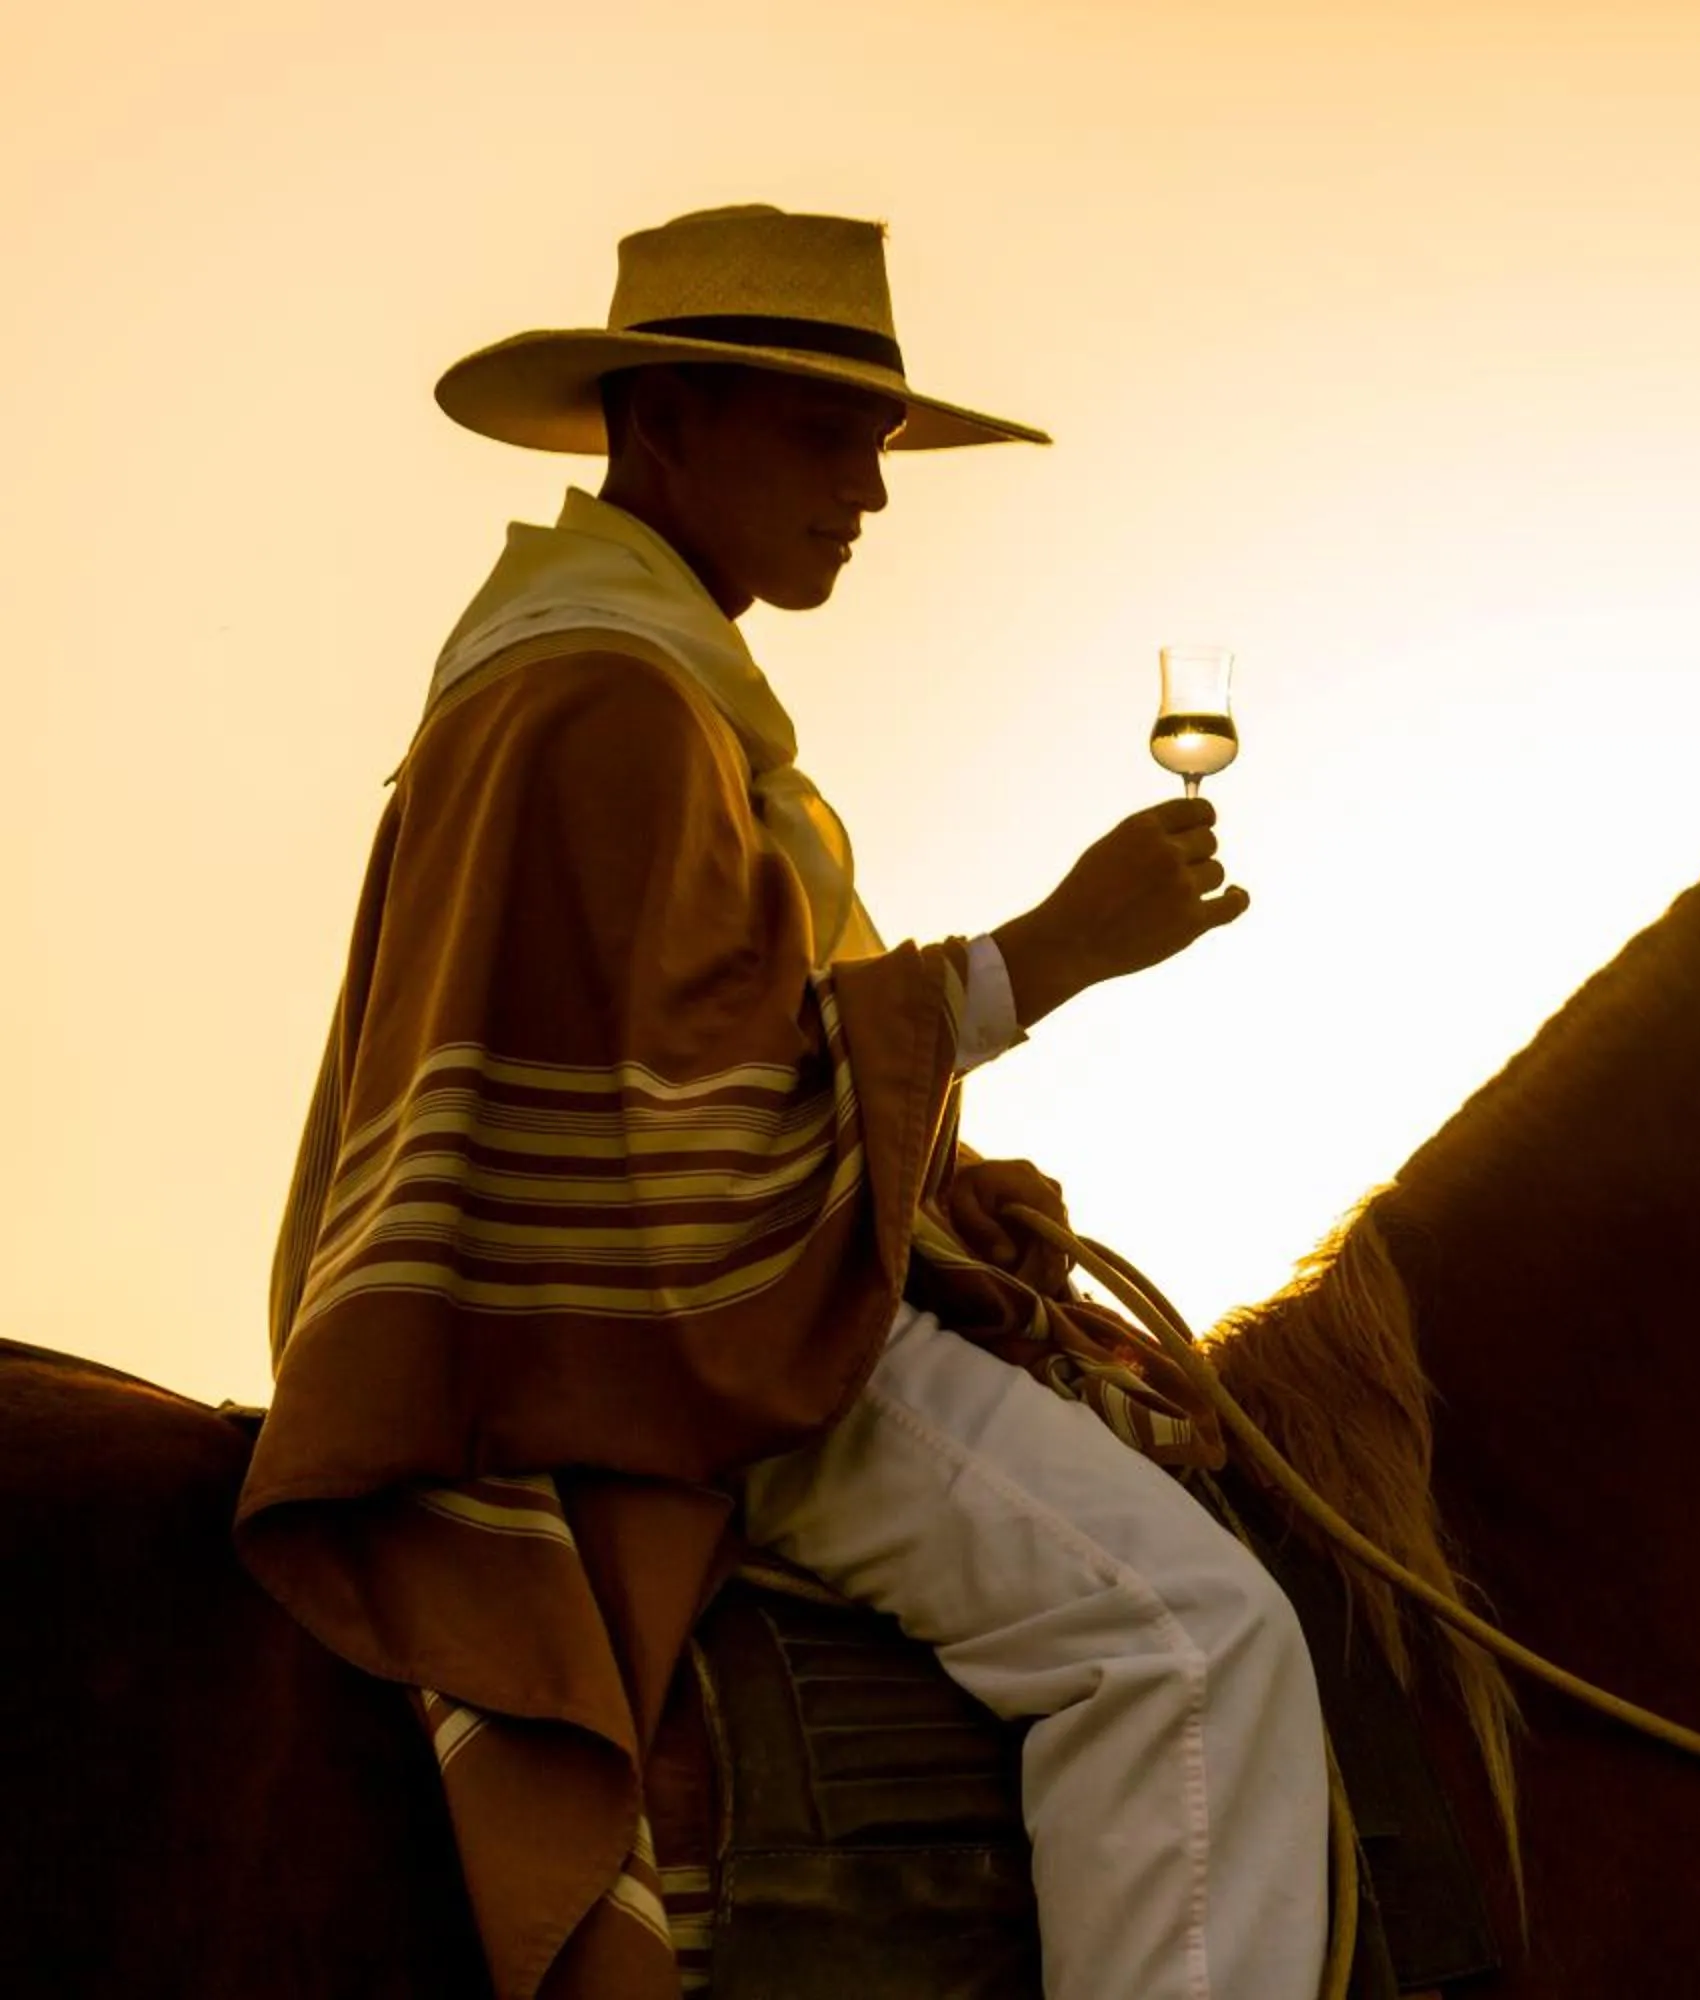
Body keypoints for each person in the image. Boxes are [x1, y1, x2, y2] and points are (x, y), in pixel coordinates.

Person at [237, 203, 1328, 2000]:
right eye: (828, 437)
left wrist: (955, 1179)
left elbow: (678, 1052)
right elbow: (691, 1120)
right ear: (662, 423)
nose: (872, 495)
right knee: (1192, 1645)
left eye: (881, 444)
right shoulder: (610, 696)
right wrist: (1041, 956)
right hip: (682, 1338)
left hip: (686, 1292)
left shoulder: (611, 674)